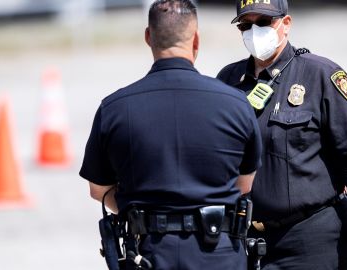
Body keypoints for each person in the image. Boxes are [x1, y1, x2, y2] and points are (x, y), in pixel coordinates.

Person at [79, 1, 262, 269]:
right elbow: (243, 186)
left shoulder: (115, 108)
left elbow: (99, 190)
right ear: (196, 40)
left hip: (150, 253)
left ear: (148, 37)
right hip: (219, 253)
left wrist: (142, 210)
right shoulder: (235, 104)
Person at [217, 1, 347, 269]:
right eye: (246, 25)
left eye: (263, 23)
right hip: (245, 239)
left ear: (286, 24)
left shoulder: (321, 75)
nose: (254, 32)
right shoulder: (228, 81)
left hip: (311, 239)